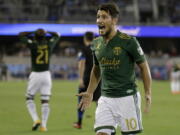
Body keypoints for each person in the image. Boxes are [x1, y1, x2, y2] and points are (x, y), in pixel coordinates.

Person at [77, 3, 152, 135]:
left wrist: (148, 92)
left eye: (104, 17)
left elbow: (144, 67)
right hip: (106, 99)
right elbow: (96, 69)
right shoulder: (96, 44)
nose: (99, 20)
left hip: (127, 99)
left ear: (114, 20)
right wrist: (89, 92)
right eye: (98, 16)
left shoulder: (129, 41)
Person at [19, 28, 60, 132]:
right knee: (45, 100)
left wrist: (33, 31)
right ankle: (44, 126)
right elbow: (57, 35)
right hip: (46, 75)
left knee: (29, 98)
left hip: (35, 74)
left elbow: (20, 35)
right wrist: (47, 31)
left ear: (35, 37)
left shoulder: (33, 44)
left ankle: (36, 119)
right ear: (44, 36)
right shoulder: (49, 44)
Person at [73, 32, 101, 129]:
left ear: (85, 39)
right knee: (99, 101)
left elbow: (81, 63)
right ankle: (100, 122)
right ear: (93, 39)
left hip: (87, 79)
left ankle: (79, 123)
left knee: (82, 100)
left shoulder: (84, 50)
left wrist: (80, 78)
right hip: (98, 79)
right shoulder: (99, 49)